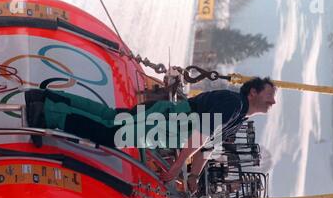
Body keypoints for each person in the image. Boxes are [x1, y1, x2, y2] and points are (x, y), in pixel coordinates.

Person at [25, 77, 276, 188]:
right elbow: (202, 132)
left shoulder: (237, 116)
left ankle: (45, 98)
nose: (272, 101)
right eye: (269, 95)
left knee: (110, 117)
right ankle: (47, 114)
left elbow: (207, 149)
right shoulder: (235, 104)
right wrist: (179, 165)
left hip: (166, 118)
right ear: (252, 92)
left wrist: (194, 177)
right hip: (168, 123)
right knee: (112, 135)